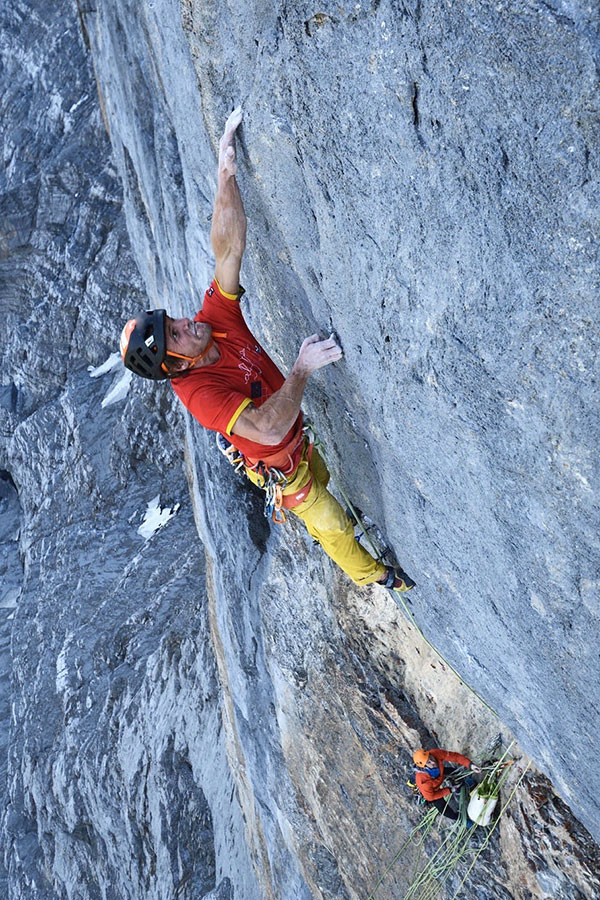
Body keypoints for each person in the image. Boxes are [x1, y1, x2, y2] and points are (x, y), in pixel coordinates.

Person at [120, 107, 415, 593]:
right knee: (330, 523)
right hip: (281, 461)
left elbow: (228, 247)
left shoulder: (211, 325)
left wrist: (225, 172)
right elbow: (267, 425)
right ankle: (377, 576)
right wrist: (301, 366)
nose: (185, 323)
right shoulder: (200, 395)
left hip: (293, 436)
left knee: (323, 473)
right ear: (175, 365)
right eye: (174, 334)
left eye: (171, 320)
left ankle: (348, 514)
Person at [413, 748, 482, 820]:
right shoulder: (423, 781)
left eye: (430, 757)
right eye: (428, 762)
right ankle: (460, 819)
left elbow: (455, 757)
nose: (433, 762)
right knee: (443, 808)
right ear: (424, 766)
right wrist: (450, 790)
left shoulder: (435, 753)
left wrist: (470, 765)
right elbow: (430, 797)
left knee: (457, 773)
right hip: (432, 790)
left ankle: (467, 784)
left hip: (440, 773)